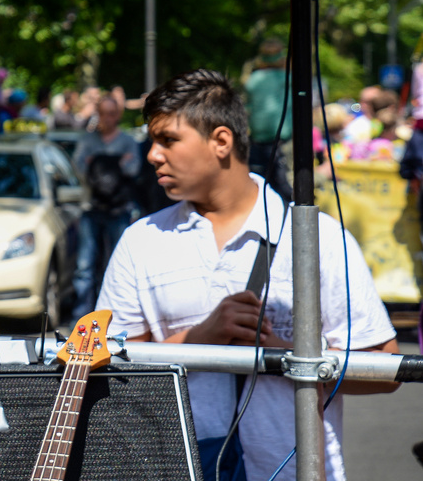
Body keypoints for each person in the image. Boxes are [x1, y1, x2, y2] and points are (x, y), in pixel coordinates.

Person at [97, 70, 398, 481]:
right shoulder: (141, 240)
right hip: (172, 467)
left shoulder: (316, 237)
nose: (153, 154)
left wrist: (281, 355)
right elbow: (107, 367)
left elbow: (384, 367)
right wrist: (203, 337)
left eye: (168, 139)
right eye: (153, 141)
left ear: (221, 141)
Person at [69, 94, 139, 320]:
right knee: (84, 267)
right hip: (92, 208)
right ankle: (82, 315)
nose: (106, 119)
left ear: (117, 115)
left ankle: (112, 315)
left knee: (117, 265)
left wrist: (99, 164)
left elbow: (134, 169)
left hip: (119, 210)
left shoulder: (127, 141)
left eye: (111, 114)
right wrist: (115, 163)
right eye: (102, 114)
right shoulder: (88, 141)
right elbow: (77, 168)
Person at [244, 38, 288, 187]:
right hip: (283, 141)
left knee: (259, 184)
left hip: (258, 141)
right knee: (285, 186)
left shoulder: (253, 80)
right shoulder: (289, 78)